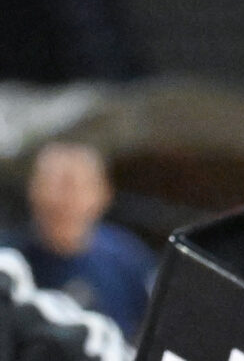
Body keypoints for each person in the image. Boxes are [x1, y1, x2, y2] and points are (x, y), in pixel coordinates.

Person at [1, 140, 152, 342]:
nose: (64, 201)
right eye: (53, 184)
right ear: (32, 189)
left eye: (76, 186)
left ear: (103, 194)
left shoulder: (127, 258)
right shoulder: (7, 259)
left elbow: (148, 330)